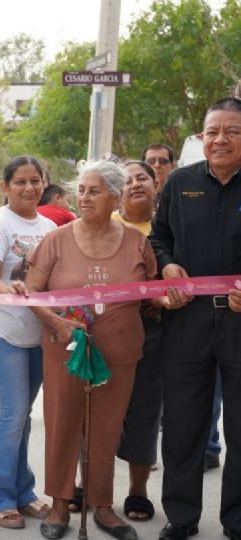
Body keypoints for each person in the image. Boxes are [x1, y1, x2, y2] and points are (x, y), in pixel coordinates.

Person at [25, 160, 179, 540]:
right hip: (66, 348)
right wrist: (57, 323)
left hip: (120, 349)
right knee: (62, 424)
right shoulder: (57, 240)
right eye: (81, 190)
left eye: (94, 191)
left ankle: (103, 505)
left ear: (114, 196)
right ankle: (60, 504)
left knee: (106, 429)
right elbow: (31, 292)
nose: (84, 197)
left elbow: (149, 292)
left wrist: (166, 299)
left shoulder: (136, 241)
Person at [151, 97, 241, 540]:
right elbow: (158, 238)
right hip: (187, 320)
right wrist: (167, 264)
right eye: (213, 131)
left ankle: (237, 520)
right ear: (202, 137)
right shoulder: (179, 182)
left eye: (232, 131)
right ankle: (181, 516)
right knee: (184, 423)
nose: (221, 139)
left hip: (239, 323)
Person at [0, 156, 55, 529]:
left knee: (24, 414)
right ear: (5, 186)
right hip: (0, 327)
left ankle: (24, 492)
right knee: (13, 411)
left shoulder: (51, 227)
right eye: (20, 181)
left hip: (38, 331)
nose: (29, 188)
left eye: (35, 180)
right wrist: (8, 289)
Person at [112, 161, 163, 523]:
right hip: (105, 327)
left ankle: (138, 490)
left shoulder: (168, 227)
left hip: (154, 330)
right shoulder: (103, 225)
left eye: (142, 178)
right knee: (93, 410)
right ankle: (87, 484)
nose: (135, 185)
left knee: (145, 410)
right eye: (127, 180)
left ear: (156, 184)